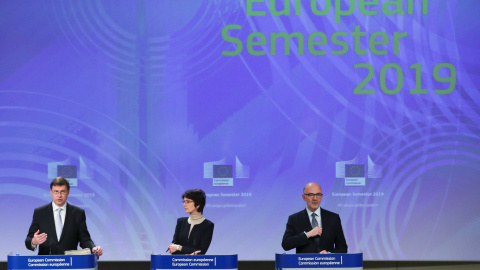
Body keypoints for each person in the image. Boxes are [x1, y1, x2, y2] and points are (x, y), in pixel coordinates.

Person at [25, 177, 103, 256]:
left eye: (63, 192)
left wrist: (93, 248)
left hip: (70, 263)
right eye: (56, 192)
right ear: (51, 192)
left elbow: (85, 240)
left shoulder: (78, 213)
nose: (59, 195)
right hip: (46, 264)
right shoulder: (40, 212)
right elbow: (28, 240)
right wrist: (33, 241)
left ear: (68, 192)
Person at [282, 182, 347, 254]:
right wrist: (307, 235)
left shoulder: (333, 218)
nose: (315, 198)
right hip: (304, 264)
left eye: (318, 195)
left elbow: (342, 247)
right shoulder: (294, 219)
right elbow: (286, 244)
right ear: (304, 197)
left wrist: (329, 254)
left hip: (327, 264)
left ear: (322, 196)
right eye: (311, 195)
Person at [167, 189, 214, 255]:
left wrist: (179, 247)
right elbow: (173, 247)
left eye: (188, 202)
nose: (184, 204)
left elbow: (201, 251)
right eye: (184, 201)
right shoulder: (180, 221)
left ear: (198, 205)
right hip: (177, 263)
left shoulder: (208, 225)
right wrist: (188, 255)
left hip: (196, 264)